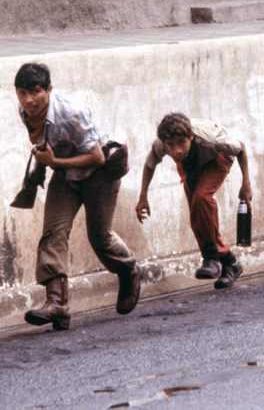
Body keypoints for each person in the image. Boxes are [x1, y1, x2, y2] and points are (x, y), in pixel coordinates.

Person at [15, 63, 142, 330]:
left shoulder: (72, 113)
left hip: (99, 174)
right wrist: (42, 166)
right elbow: (43, 143)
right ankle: (58, 304)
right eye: (22, 93)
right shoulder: (26, 111)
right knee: (53, 233)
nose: (28, 100)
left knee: (100, 236)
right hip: (65, 175)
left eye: (35, 92)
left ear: (49, 89)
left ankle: (128, 269)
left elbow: (96, 157)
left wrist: (54, 162)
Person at [135, 113, 251, 289]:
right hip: (190, 165)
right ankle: (230, 263)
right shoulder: (162, 143)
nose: (177, 150)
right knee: (197, 216)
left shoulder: (210, 139)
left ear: (191, 136)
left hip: (217, 158)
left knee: (202, 197)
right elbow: (149, 165)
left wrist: (246, 185)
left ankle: (211, 257)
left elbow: (240, 149)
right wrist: (143, 197)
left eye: (182, 143)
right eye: (171, 146)